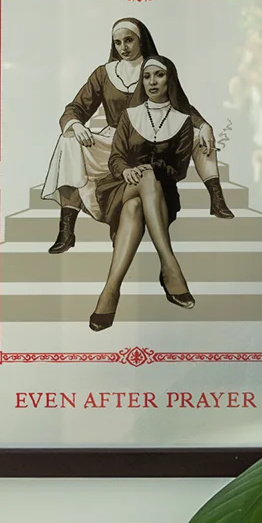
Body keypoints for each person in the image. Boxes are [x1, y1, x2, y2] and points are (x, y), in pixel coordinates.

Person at [42, 18, 231, 253]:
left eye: (129, 40)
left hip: (151, 141)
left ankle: (216, 196)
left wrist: (203, 124)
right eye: (118, 42)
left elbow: (179, 104)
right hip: (115, 142)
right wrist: (76, 124)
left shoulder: (153, 68)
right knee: (67, 139)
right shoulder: (104, 74)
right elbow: (75, 108)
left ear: (141, 41)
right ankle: (66, 229)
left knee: (199, 132)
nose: (124, 47)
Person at [85, 54, 198, 332]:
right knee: (140, 182)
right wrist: (126, 171)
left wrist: (150, 168)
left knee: (134, 209)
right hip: (119, 187)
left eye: (158, 75)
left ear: (170, 79)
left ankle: (110, 291)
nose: (151, 82)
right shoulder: (130, 115)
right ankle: (170, 265)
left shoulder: (183, 121)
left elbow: (179, 169)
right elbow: (115, 159)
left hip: (161, 196)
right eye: (147, 76)